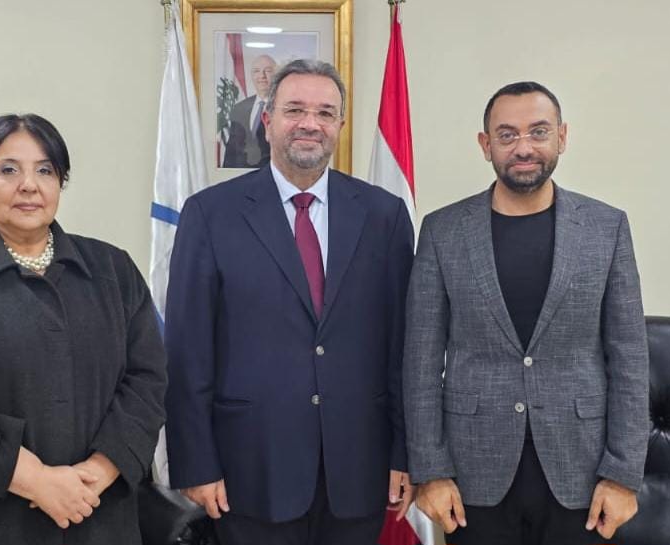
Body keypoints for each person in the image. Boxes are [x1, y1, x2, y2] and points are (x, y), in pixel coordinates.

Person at [165, 59, 415, 545]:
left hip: (359, 468)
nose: (310, 123)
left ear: (340, 124)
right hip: (249, 468)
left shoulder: (384, 216)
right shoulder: (211, 214)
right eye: (295, 109)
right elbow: (187, 350)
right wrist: (196, 463)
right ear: (268, 120)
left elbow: (403, 346)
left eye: (325, 113)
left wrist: (406, 453)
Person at [403, 81, 649, 545]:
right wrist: (431, 471)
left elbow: (630, 360)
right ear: (485, 144)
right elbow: (420, 362)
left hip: (583, 475)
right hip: (472, 476)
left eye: (538, 132)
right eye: (507, 134)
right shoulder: (442, 232)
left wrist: (622, 475)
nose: (524, 148)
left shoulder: (607, 227)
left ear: (562, 136)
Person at [0, 114, 167, 544]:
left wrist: (97, 473)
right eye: (8, 170)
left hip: (100, 515)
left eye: (45, 170)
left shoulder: (114, 270)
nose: (29, 185)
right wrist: (35, 480)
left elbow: (148, 381)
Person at [222, 54, 276, 168]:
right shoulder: (239, 108)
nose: (262, 76)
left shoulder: (284, 109)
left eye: (268, 71)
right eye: (256, 71)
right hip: (241, 175)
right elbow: (231, 153)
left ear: (276, 75)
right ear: (251, 76)